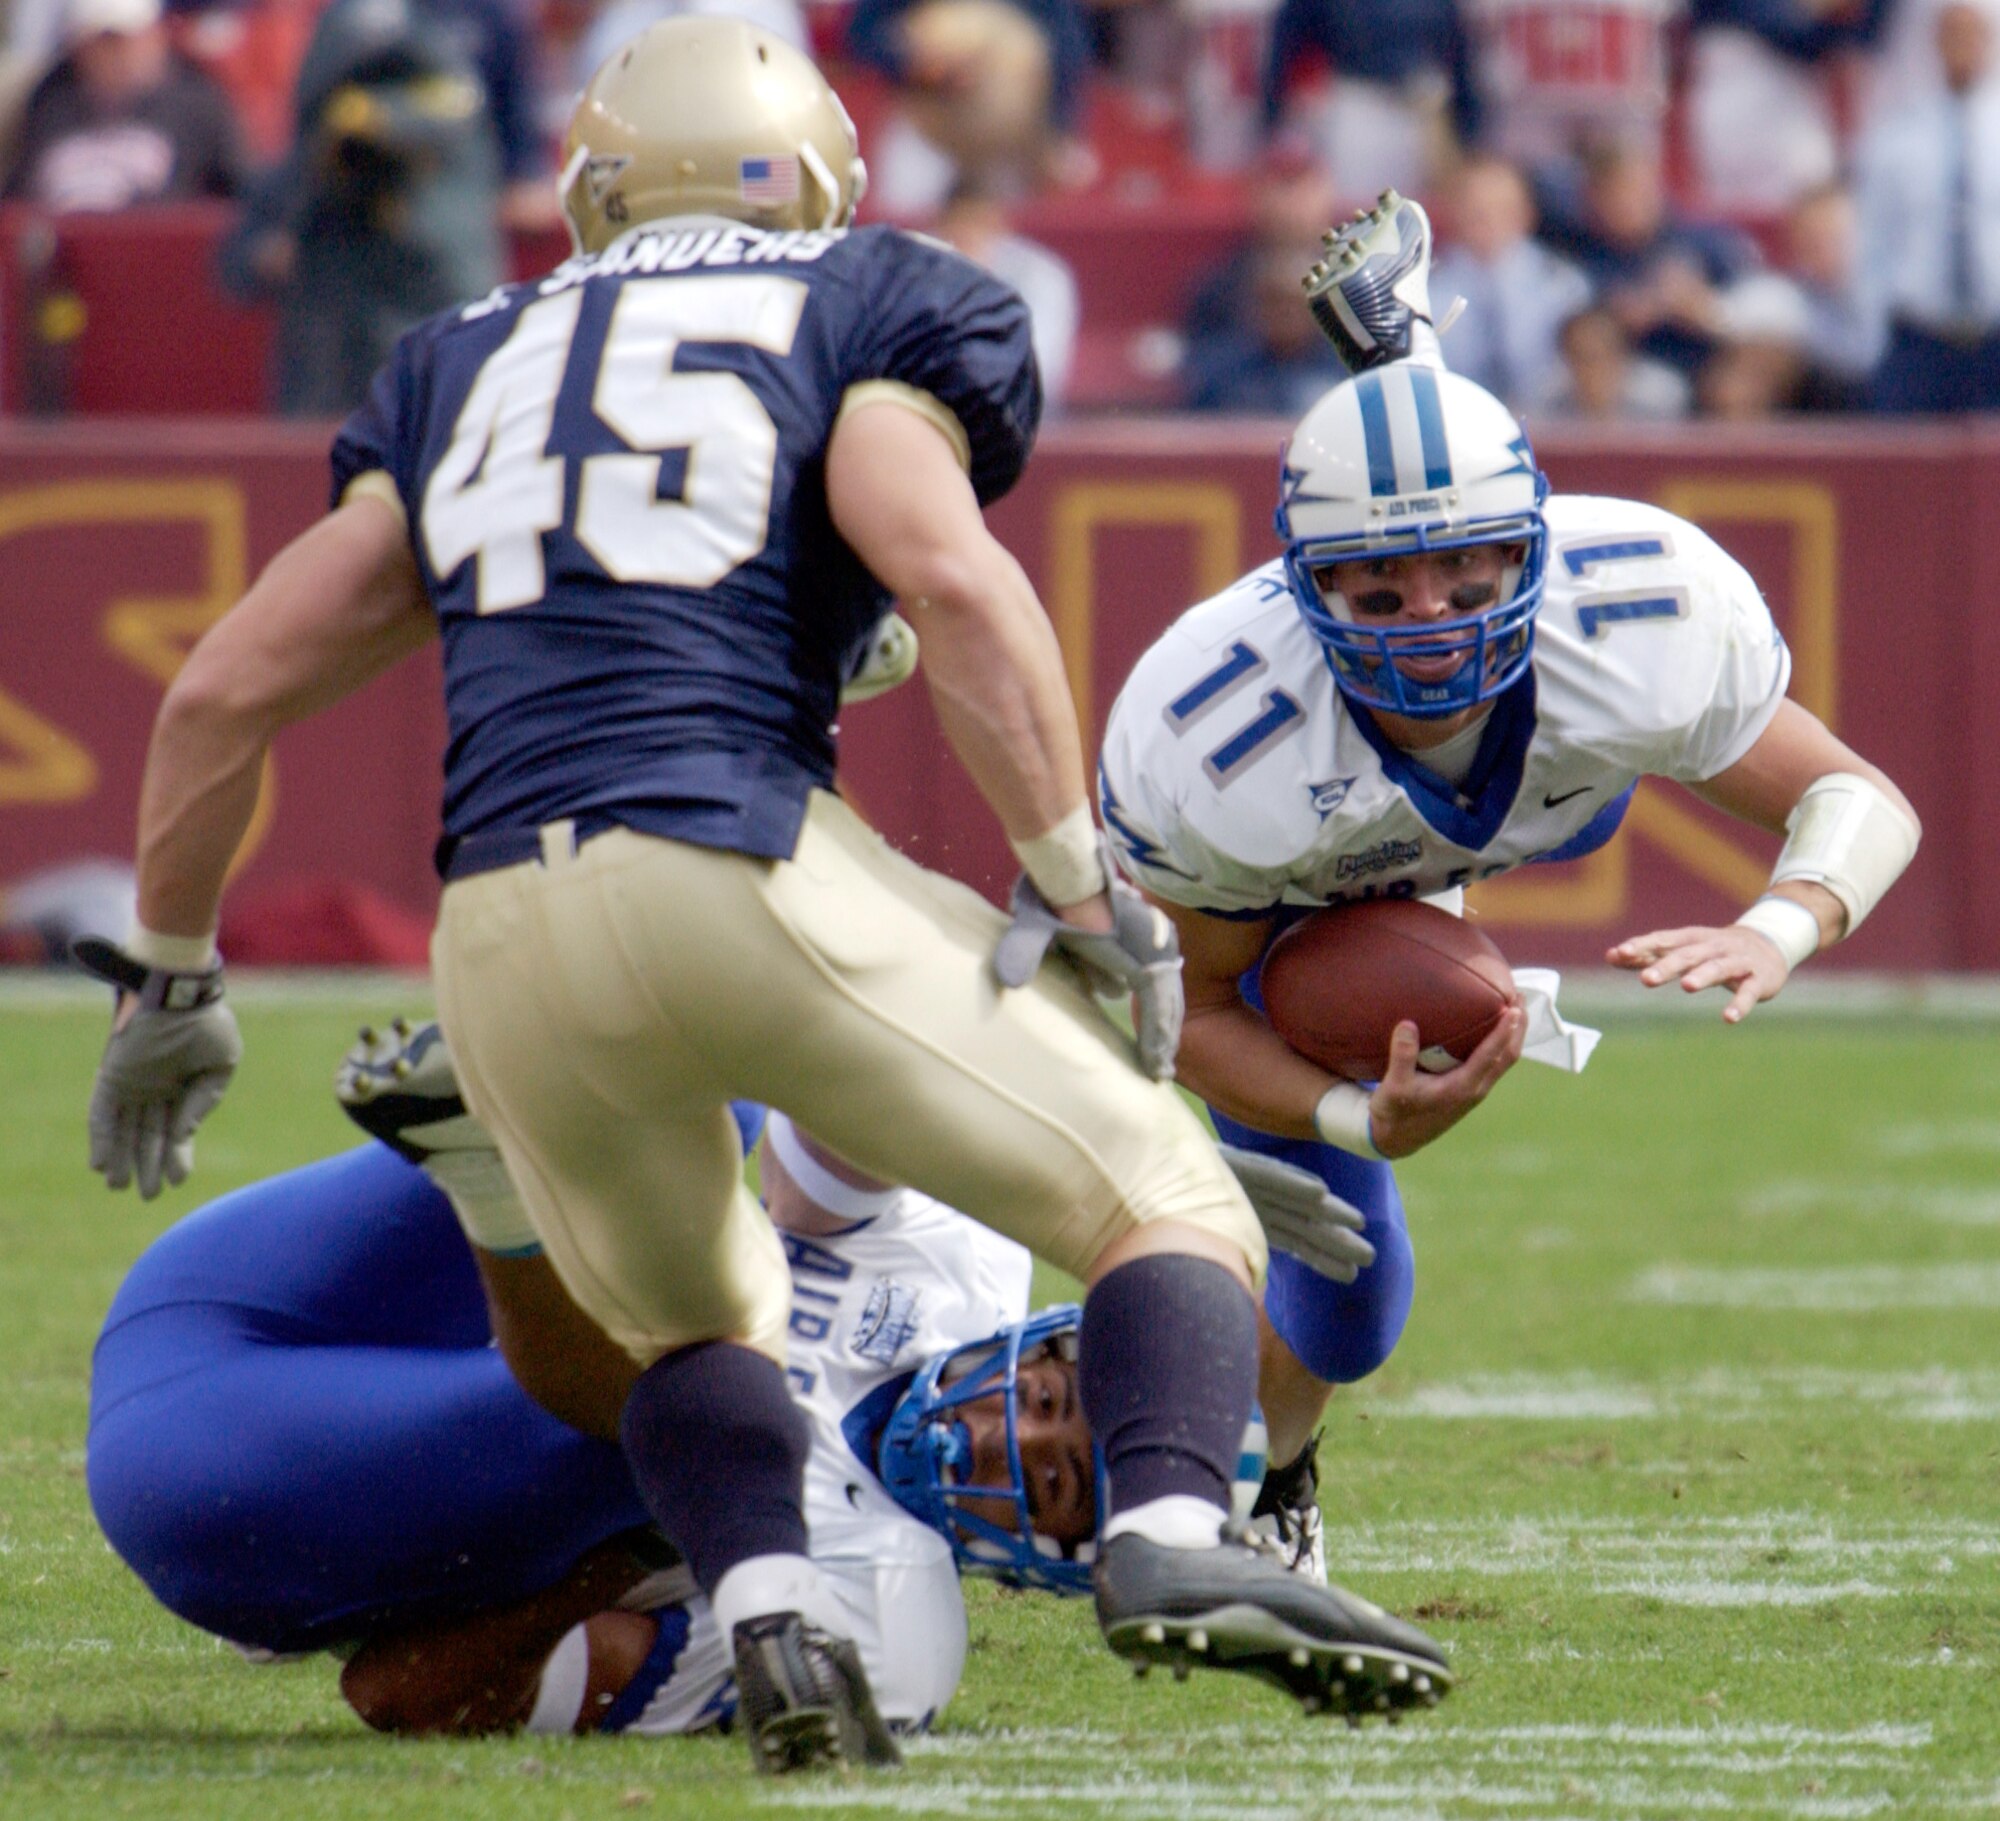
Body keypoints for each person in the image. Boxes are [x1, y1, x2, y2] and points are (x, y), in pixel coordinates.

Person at [75, 18, 1452, 1774]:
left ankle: (773, 1611)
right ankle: (1170, 1530)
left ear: (587, 191)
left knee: (682, 1326)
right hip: (735, 852)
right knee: (1165, 1188)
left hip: (498, 924)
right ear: (817, 183)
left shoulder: (461, 361)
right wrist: (1068, 876)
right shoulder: (865, 301)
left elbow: (221, 696)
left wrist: (172, 981)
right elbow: (950, 584)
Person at [1097, 187, 1921, 1479]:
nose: (1430, 617)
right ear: (1306, 588)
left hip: (1514, 801)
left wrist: (1782, 924)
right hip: (1299, 904)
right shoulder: (1223, 736)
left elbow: (1863, 799)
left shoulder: (1634, 615)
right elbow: (1178, 1011)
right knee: (1357, 1300)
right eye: (1380, 586)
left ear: (1536, 549)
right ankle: (1277, 1471)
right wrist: (1358, 1117)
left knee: (1453, 557)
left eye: (1471, 575)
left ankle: (1401, 359)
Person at [87, 1019, 1346, 1737]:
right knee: (721, 1119)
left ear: (1059, 1565)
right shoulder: (959, 1253)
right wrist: (1073, 1145)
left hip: (225, 1503)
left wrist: (657, 1535)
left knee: (691, 1394)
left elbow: (400, 1692)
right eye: (1052, 1397)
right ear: (1048, 1336)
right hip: (237, 1296)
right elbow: (838, 1101)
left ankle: (501, 1181)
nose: (1009, 1440)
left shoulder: (892, 1634)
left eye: (1057, 1480)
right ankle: (493, 1143)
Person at [1852, 0, 2000, 411]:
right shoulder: (1897, 135)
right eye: (1953, 35)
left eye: (1973, 35)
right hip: (1921, 337)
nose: (1963, 46)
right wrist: (1873, 341)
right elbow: (1872, 241)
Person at [2, 0, 244, 211]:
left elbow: (237, 196)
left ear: (155, 36)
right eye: (99, 42)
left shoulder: (197, 106)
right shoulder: (50, 105)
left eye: (121, 41)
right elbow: (17, 204)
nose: (112, 56)